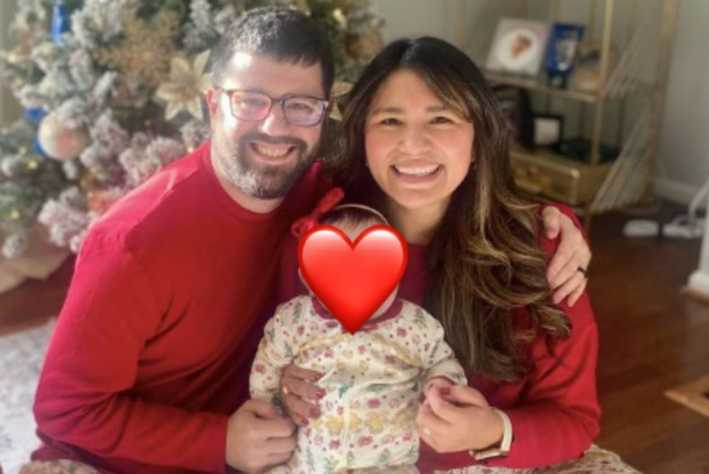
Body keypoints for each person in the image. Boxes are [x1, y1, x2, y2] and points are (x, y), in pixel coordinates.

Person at [30, 8, 590, 474]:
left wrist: (554, 218)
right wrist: (234, 429)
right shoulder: (143, 241)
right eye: (249, 101)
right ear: (210, 103)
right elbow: (64, 411)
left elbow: (574, 417)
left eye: (299, 106)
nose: (275, 129)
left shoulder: (323, 196)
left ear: (325, 116)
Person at [278, 36, 600, 472]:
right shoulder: (323, 236)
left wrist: (492, 431)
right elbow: (285, 342)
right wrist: (285, 383)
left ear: (479, 136)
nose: (413, 145)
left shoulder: (541, 256)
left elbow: (575, 420)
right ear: (362, 135)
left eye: (441, 119)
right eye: (390, 120)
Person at [250, 191, 466, 473]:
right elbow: (269, 360)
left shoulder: (414, 325)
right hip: (309, 461)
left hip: (389, 463)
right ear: (308, 277)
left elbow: (441, 359)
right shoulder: (296, 319)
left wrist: (441, 384)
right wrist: (268, 404)